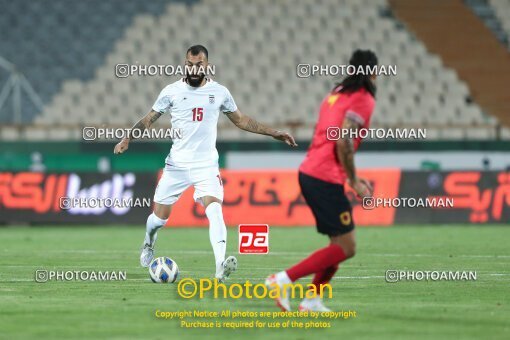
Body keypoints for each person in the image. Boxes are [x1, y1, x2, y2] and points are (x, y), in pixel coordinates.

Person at [114, 45, 297, 282]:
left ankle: (221, 266)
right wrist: (128, 138)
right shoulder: (171, 91)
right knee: (158, 220)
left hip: (206, 166)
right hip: (176, 165)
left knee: (215, 210)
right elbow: (149, 119)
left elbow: (241, 120)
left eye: (198, 64)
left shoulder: (219, 92)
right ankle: (149, 243)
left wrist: (274, 133)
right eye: (189, 64)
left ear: (207, 65)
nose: (193, 68)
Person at [266, 50, 377, 311]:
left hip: (311, 171)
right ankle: (283, 279)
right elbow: (344, 141)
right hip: (324, 176)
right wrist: (354, 180)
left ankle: (312, 299)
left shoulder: (335, 94)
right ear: (373, 73)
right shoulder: (363, 99)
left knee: (338, 244)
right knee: (347, 247)